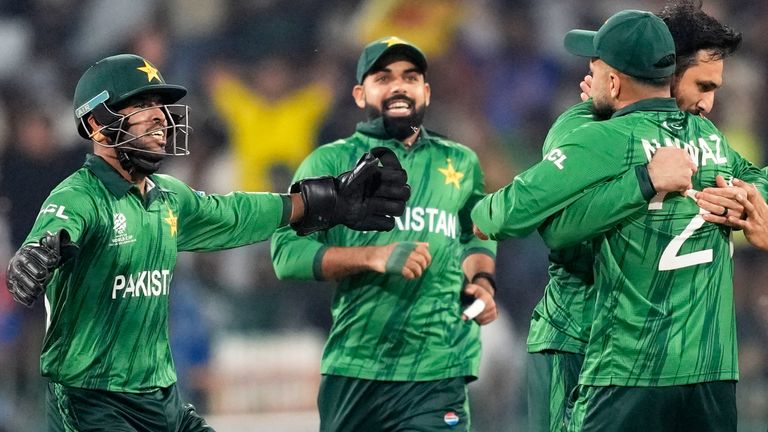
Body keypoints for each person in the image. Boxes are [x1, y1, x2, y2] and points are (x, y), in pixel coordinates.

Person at [3, 53, 410, 431]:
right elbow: (52, 235)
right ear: (96, 123)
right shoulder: (78, 196)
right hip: (92, 401)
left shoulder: (166, 196)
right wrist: (33, 258)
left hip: (159, 399)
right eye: (142, 106)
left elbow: (236, 213)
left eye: (160, 107)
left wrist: (326, 201)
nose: (160, 118)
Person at [472, 9, 767, 432]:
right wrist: (642, 179)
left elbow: (509, 216)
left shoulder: (605, 136)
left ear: (613, 80)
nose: (708, 103)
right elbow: (561, 229)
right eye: (703, 86)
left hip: (619, 360)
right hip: (696, 365)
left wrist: (749, 202)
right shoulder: (711, 143)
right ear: (669, 72)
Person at [271, 36, 497, 432]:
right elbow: (286, 254)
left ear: (425, 91)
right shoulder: (328, 162)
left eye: (410, 77)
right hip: (357, 367)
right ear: (360, 94)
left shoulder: (460, 162)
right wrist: (372, 257)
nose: (399, 86)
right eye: (383, 77)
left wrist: (480, 280)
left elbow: (477, 231)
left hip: (439, 370)